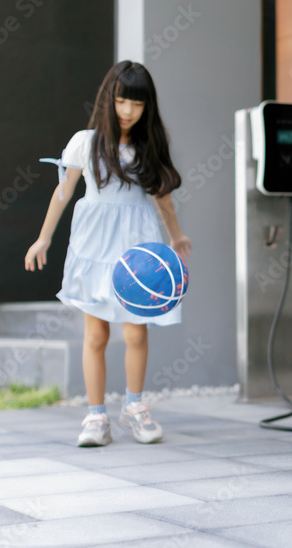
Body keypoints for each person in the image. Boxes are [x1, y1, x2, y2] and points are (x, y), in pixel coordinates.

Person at [24, 61, 191, 447]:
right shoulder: (86, 141)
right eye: (121, 101)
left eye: (137, 104)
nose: (128, 111)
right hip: (96, 244)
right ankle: (95, 416)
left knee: (135, 331)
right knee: (96, 333)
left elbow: (161, 197)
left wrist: (177, 236)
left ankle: (134, 406)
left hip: (138, 246)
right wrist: (44, 237)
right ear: (109, 100)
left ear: (148, 106)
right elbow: (64, 190)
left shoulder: (149, 147)